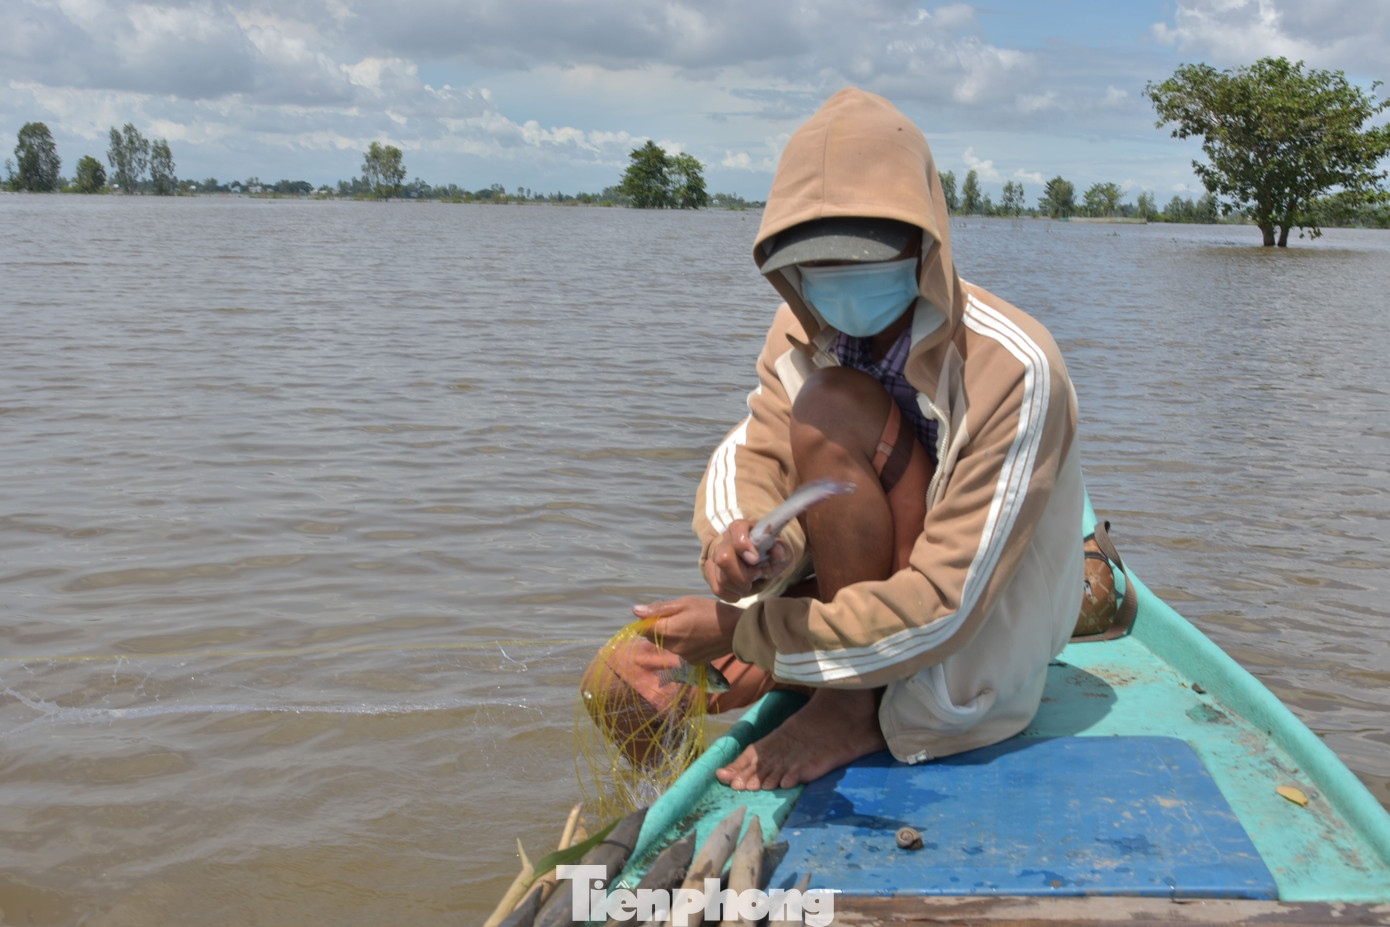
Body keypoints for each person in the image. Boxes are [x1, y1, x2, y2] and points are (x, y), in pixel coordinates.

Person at [585, 87, 1083, 792]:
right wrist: (743, 543)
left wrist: (743, 632)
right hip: (858, 592)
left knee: (831, 405)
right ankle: (677, 789)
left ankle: (850, 704)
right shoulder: (799, 329)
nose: (841, 284)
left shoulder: (1015, 367)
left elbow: (946, 604)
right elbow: (755, 449)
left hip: (967, 636)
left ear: (925, 242)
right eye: (821, 266)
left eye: (864, 258)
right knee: (622, 679)